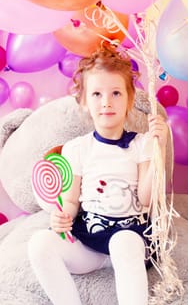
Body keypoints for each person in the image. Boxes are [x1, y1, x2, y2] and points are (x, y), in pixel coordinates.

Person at [28, 43, 169, 305]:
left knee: (123, 243)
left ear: (129, 99)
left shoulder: (141, 144)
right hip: (90, 243)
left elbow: (147, 199)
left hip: (131, 239)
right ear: (83, 101)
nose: (106, 102)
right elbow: (71, 201)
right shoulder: (77, 149)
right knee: (40, 243)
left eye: (116, 93)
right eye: (96, 94)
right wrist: (62, 217)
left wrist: (158, 151)